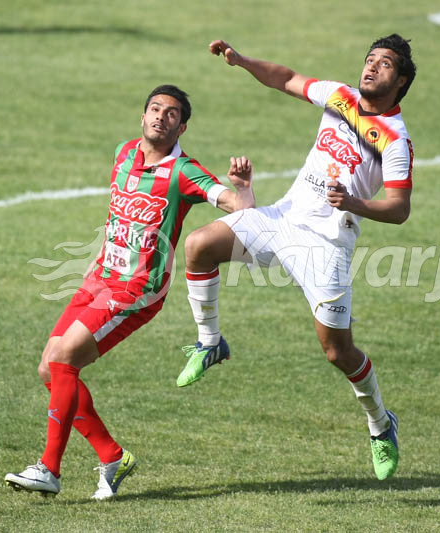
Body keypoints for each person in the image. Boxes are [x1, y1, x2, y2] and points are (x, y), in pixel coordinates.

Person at [177, 34, 416, 481]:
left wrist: (354, 203)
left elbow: (399, 209)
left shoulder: (395, 141)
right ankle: (210, 343)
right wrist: (241, 60)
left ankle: (381, 425)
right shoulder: (339, 96)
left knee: (337, 352)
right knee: (199, 246)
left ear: (400, 81)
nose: (371, 67)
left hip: (328, 245)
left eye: (384, 64)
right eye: (370, 59)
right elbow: (286, 78)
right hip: (283, 219)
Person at [4, 85, 256, 498]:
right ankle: (112, 456)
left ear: (182, 127)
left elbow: (239, 208)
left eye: (171, 113)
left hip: (137, 289)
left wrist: (243, 188)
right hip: (99, 277)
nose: (161, 117)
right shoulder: (123, 153)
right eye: (155, 109)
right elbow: (116, 219)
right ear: (142, 116)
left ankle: (49, 469)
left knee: (64, 360)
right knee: (49, 369)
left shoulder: (183, 172)